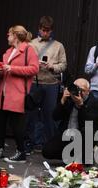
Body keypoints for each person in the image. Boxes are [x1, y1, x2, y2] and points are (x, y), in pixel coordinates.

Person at [0, 25, 39, 164]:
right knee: (1, 122)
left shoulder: (28, 49)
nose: (7, 37)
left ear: (15, 36)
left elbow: (34, 68)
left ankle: (21, 152)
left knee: (17, 124)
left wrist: (12, 68)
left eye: (9, 34)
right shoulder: (8, 51)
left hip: (18, 93)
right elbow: (5, 71)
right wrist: (0, 71)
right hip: (3, 92)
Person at [28, 16, 67, 153]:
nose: (45, 33)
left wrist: (53, 67)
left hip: (51, 83)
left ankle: (49, 145)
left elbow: (63, 65)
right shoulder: (31, 44)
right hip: (34, 82)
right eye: (43, 30)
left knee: (49, 115)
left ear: (52, 31)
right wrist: (34, 64)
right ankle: (31, 143)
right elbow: (25, 62)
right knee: (31, 114)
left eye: (48, 31)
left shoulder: (58, 46)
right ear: (39, 29)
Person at [42, 78, 98, 162]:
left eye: (82, 90)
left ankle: (85, 155)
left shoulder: (94, 102)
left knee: (86, 160)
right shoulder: (69, 98)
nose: (78, 92)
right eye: (76, 89)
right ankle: (72, 157)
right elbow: (55, 117)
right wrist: (62, 100)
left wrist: (81, 105)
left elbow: (89, 123)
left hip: (84, 138)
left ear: (88, 91)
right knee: (47, 151)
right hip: (67, 135)